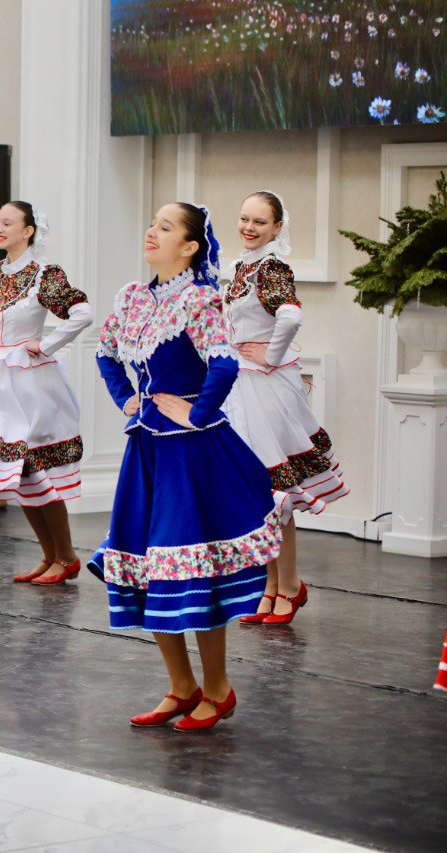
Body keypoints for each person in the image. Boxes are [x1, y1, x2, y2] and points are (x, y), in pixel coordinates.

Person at [91, 202, 281, 730]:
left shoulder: (200, 300)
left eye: (166, 227)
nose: (152, 231)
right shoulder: (132, 297)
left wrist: (197, 410)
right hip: (147, 448)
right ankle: (181, 685)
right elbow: (105, 352)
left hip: (191, 454)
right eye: (151, 223)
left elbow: (224, 362)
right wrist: (128, 400)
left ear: (191, 246)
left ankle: (217, 688)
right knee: (153, 567)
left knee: (191, 565)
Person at [225, 191, 349, 626]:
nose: (250, 227)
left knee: (277, 492)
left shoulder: (272, 266)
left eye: (260, 222)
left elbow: (291, 316)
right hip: (245, 385)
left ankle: (289, 585)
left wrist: (271, 356)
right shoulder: (245, 265)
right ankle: (269, 587)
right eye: (244, 219)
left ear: (278, 227)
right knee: (261, 492)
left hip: (267, 388)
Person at [0, 202, 92, 585]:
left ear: (28, 230)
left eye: (8, 222)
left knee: (38, 468)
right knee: (22, 472)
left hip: (35, 385)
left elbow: (82, 313)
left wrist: (45, 345)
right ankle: (50, 556)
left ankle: (65, 555)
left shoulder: (44, 274)